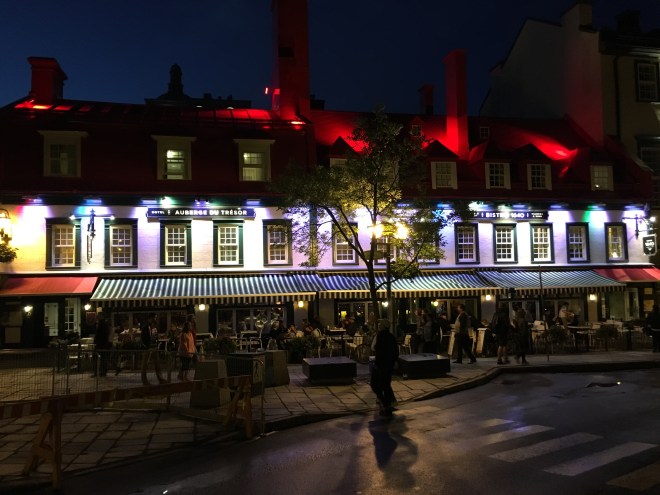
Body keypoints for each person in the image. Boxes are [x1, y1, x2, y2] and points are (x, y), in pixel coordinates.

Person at [370, 319, 399, 416]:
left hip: (381, 365)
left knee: (375, 384)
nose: (378, 326)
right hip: (389, 365)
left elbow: (378, 350)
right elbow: (396, 351)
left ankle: (386, 404)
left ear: (382, 326)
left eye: (380, 324)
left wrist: (377, 364)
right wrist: (394, 361)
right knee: (386, 385)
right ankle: (388, 405)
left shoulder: (380, 336)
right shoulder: (391, 336)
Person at [140, 313, 166, 385]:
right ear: (150, 318)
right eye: (154, 317)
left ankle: (160, 379)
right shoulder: (146, 327)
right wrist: (146, 346)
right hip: (148, 348)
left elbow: (155, 336)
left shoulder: (154, 327)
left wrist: (156, 341)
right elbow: (143, 338)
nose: (155, 319)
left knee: (157, 364)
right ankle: (144, 380)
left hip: (154, 347)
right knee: (145, 365)